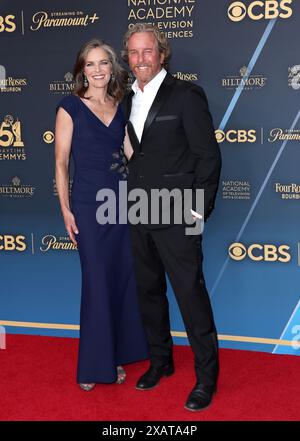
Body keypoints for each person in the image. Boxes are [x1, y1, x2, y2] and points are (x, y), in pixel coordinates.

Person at [122, 24, 221, 411]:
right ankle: (160, 362)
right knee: (149, 293)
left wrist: (198, 210)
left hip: (180, 213)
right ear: (127, 58)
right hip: (138, 211)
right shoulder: (125, 98)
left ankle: (207, 378)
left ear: (162, 54)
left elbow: (208, 157)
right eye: (133, 53)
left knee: (191, 297)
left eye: (147, 52)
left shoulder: (186, 95)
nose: (141, 59)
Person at [55, 39, 148, 391]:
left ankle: (119, 353)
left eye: (103, 64)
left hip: (121, 202)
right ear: (82, 70)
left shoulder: (119, 104)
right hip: (88, 206)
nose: (97, 71)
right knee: (96, 281)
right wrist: (65, 209)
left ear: (112, 68)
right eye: (90, 65)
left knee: (121, 278)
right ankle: (96, 365)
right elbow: (61, 163)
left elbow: (129, 154)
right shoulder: (70, 107)